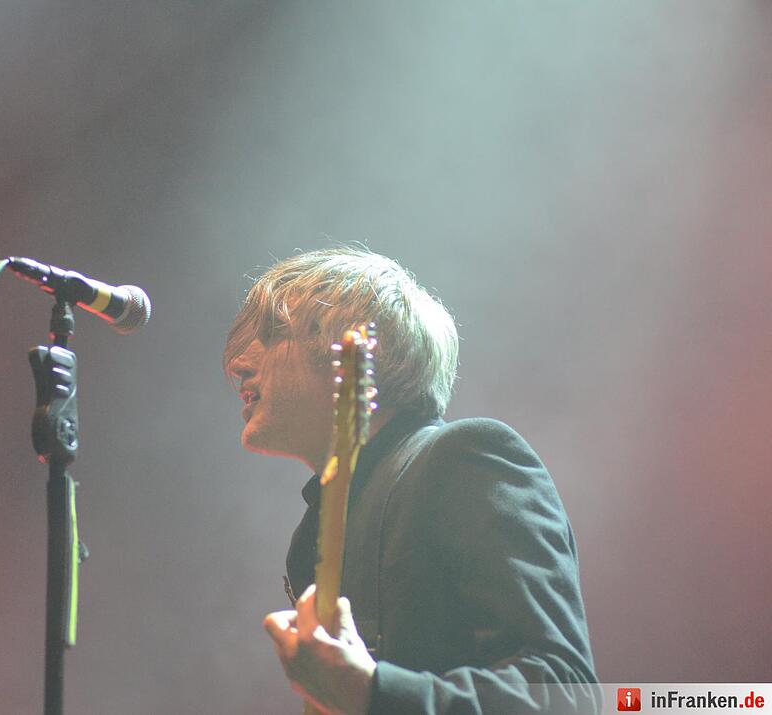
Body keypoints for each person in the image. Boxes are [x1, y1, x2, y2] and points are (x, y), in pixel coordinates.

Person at [223, 246, 599, 715]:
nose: (236, 362)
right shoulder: (312, 536)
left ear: (352, 351)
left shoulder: (464, 459)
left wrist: (373, 691)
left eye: (273, 333)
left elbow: (564, 693)